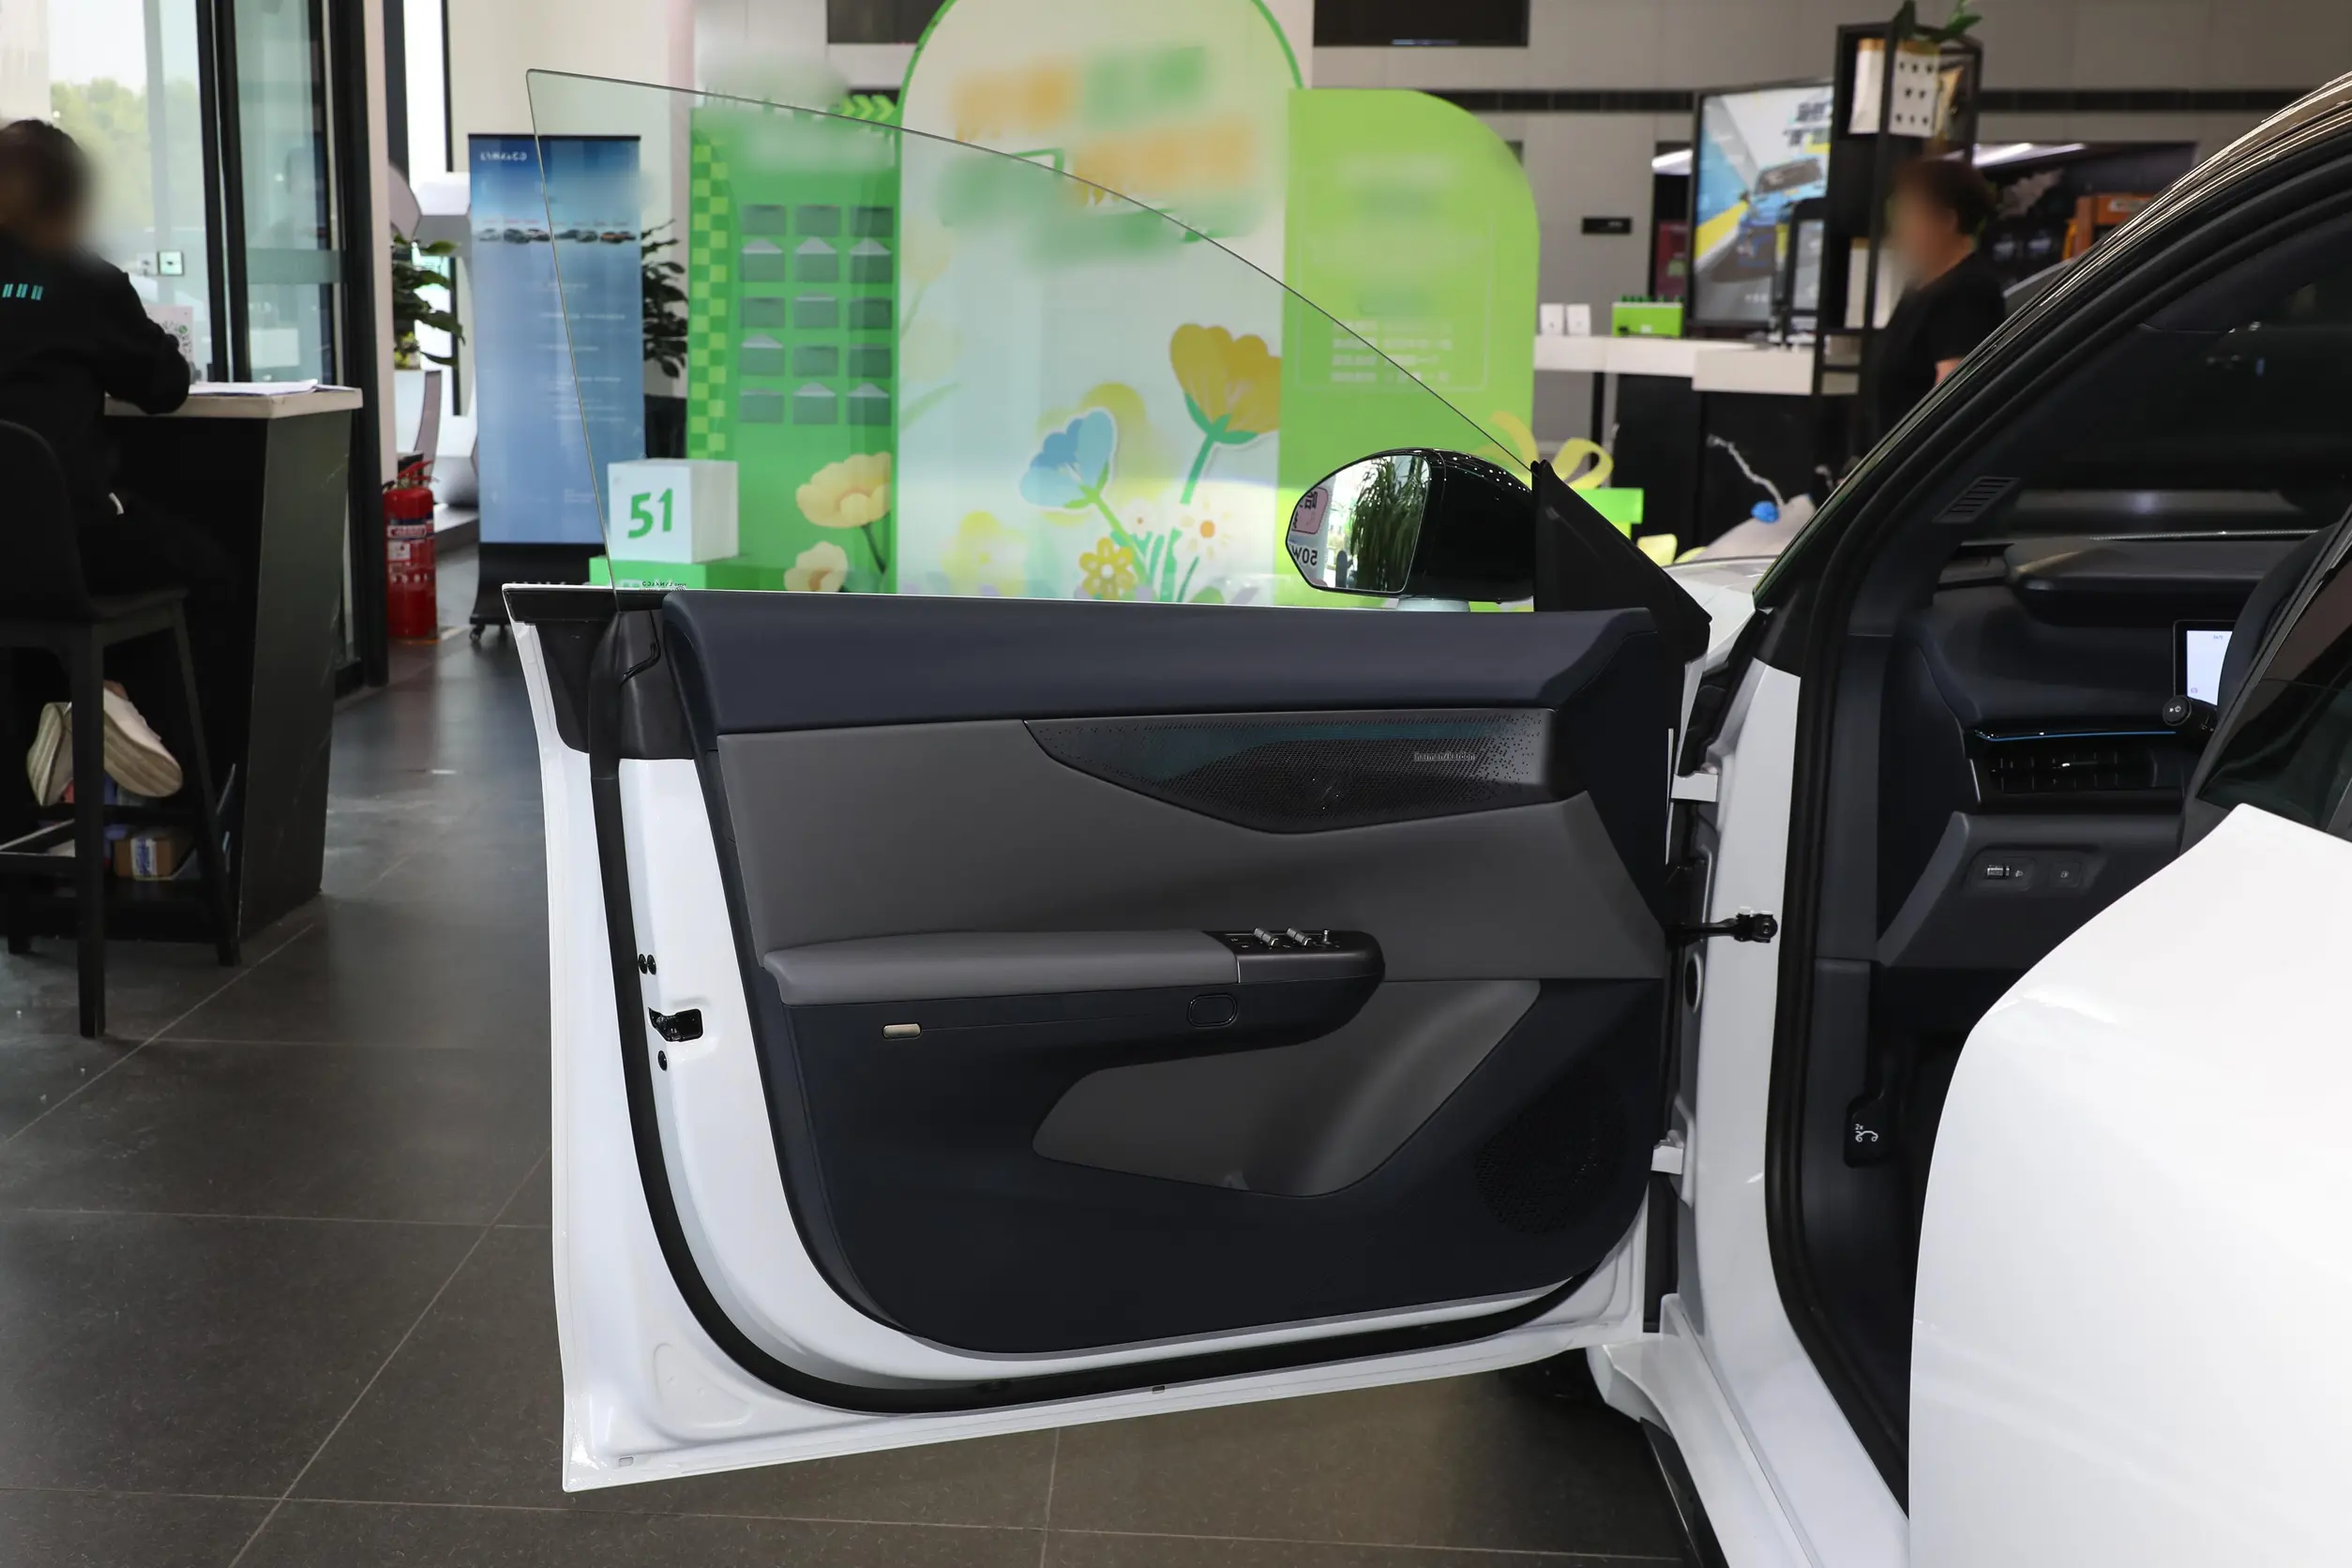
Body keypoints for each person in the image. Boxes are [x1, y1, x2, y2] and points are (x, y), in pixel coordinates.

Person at [0, 120, 242, 790]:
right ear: (69, 201)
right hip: (72, 542)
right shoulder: (85, 283)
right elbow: (164, 387)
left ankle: (73, 709)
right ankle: (187, 780)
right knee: (212, 575)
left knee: (33, 604)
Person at [1870, 155, 2007, 439]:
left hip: (1920, 460)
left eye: (1910, 214)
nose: (1899, 228)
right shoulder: (1918, 287)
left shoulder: (1969, 291)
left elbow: (1950, 400)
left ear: (1946, 221)